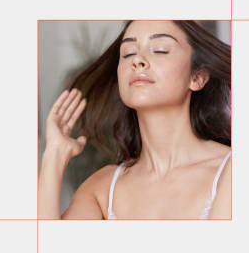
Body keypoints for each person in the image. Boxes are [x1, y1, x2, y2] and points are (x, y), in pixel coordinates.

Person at [39, 20, 231, 219]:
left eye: (160, 50)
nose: (137, 60)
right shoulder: (102, 189)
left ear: (197, 77)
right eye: (128, 53)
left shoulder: (230, 170)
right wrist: (54, 154)